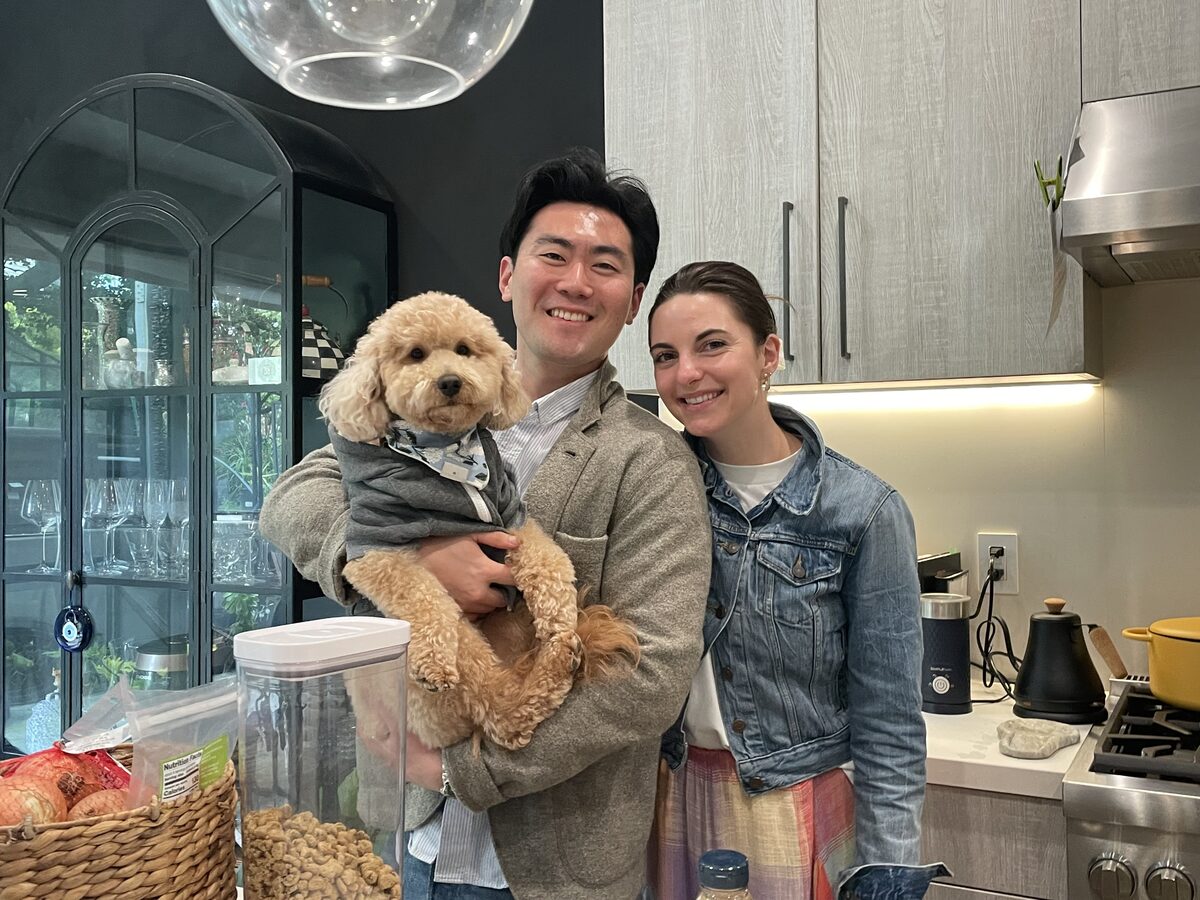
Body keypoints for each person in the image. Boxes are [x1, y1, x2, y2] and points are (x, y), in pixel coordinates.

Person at [258, 149, 711, 900]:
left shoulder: (650, 461)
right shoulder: (409, 418)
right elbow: (292, 496)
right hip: (407, 840)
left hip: (552, 869)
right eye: (553, 255)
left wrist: (466, 770)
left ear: (633, 301)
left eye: (604, 265)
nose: (574, 281)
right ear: (508, 275)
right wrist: (398, 567)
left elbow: (651, 677)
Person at [644, 261, 926, 900]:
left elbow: (890, 720)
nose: (686, 373)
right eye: (666, 356)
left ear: (768, 352)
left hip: (792, 805)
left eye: (712, 344)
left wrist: (890, 873)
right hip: (663, 797)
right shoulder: (654, 488)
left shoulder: (862, 510)